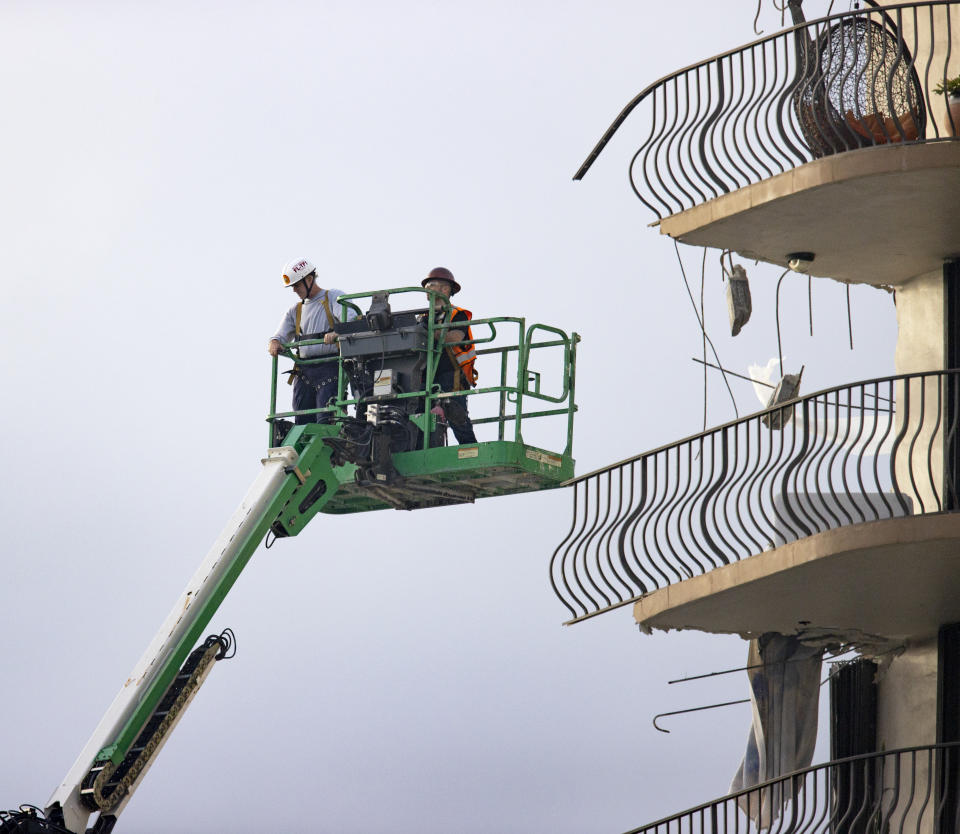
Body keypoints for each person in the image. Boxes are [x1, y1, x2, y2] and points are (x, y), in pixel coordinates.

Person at [268, 258, 353, 424]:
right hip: (304, 372)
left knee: (327, 420)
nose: (294, 290)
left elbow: (350, 320)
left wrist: (337, 332)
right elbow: (279, 335)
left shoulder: (333, 297)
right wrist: (274, 342)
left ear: (309, 279)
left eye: (297, 285)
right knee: (302, 422)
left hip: (331, 367)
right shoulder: (295, 310)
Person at [421, 266, 478, 444]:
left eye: (433, 285)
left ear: (446, 289)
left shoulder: (457, 314)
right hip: (425, 375)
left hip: (451, 375)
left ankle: (471, 451)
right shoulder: (421, 317)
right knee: (419, 416)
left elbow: (454, 337)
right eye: (427, 286)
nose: (428, 289)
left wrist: (429, 332)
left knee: (457, 417)